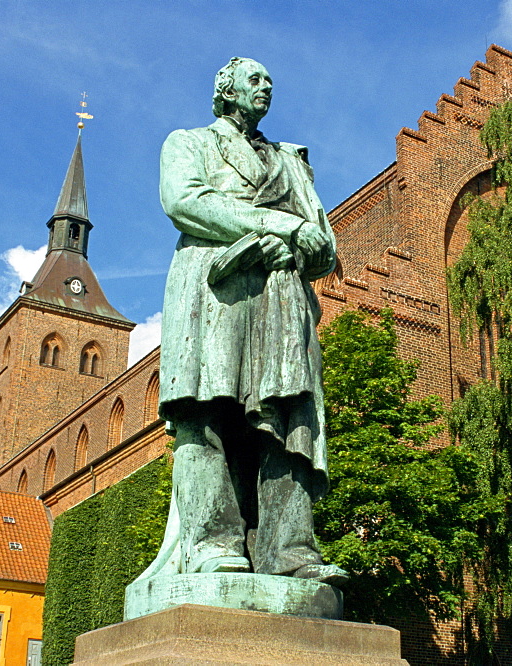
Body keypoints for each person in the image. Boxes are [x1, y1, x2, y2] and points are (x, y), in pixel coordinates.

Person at [148, 57, 346, 585]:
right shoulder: (188, 142)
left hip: (282, 300)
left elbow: (324, 245)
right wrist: (278, 224)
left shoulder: (289, 160)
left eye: (270, 83)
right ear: (226, 89)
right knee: (206, 413)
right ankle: (213, 544)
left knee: (287, 422)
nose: (265, 89)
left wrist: (301, 250)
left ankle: (291, 551)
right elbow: (186, 202)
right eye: (255, 80)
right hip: (216, 294)